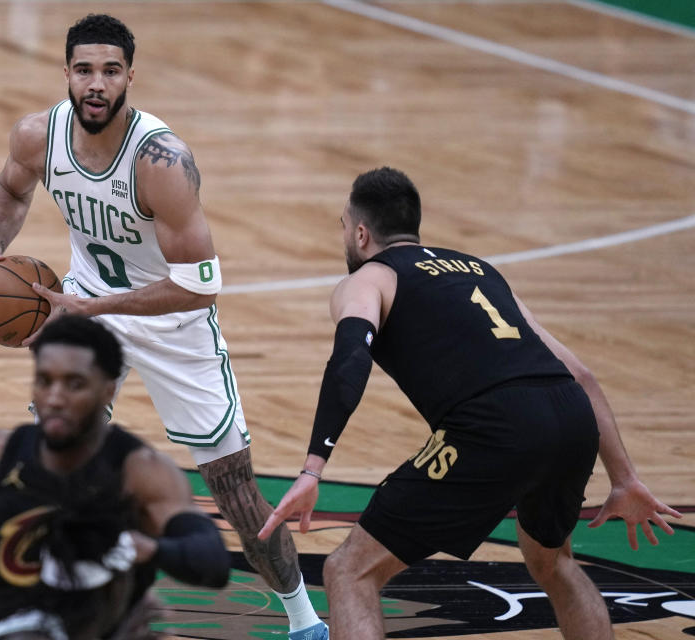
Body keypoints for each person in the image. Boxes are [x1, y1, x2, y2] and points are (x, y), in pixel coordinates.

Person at [0, 13, 327, 640]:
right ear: (68, 75)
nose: (96, 84)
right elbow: (10, 189)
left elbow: (200, 283)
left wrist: (95, 310)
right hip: (86, 306)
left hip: (172, 321)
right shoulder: (36, 136)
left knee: (234, 492)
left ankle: (305, 623)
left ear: (130, 76)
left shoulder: (162, 161)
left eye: (109, 70)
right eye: (84, 70)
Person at [258, 167, 682, 640]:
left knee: (349, 570)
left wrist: (313, 467)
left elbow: (349, 361)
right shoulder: (480, 269)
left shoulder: (370, 278)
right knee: (554, 561)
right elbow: (581, 375)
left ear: (361, 233)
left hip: (494, 425)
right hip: (568, 412)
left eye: (343, 226)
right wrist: (623, 477)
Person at [0, 315, 231, 640]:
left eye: (74, 384)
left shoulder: (140, 472)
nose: (56, 398)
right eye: (45, 381)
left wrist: (149, 548)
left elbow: (212, 559)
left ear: (107, 390)